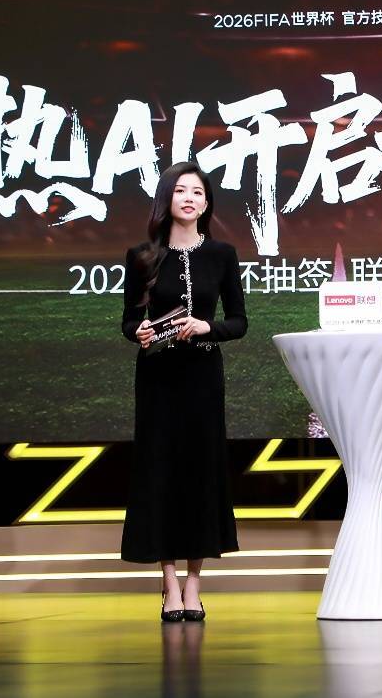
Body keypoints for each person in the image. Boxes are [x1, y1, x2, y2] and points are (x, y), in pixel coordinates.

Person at [120, 161, 247, 622]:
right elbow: (128, 321)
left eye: (197, 192)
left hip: (202, 377)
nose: (189, 198)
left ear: (206, 202)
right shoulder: (142, 256)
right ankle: (169, 582)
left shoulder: (222, 254)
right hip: (158, 378)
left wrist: (207, 326)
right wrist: (140, 332)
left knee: (200, 473)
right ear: (166, 200)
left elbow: (239, 321)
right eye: (180, 191)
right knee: (161, 472)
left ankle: (194, 583)